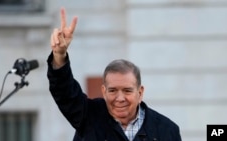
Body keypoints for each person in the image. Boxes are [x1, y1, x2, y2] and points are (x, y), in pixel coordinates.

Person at [47, 7, 182, 141]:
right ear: (104, 91)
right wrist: (59, 55)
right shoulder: (88, 117)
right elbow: (65, 93)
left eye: (127, 90)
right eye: (112, 90)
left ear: (140, 93)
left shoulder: (166, 131)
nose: (120, 98)